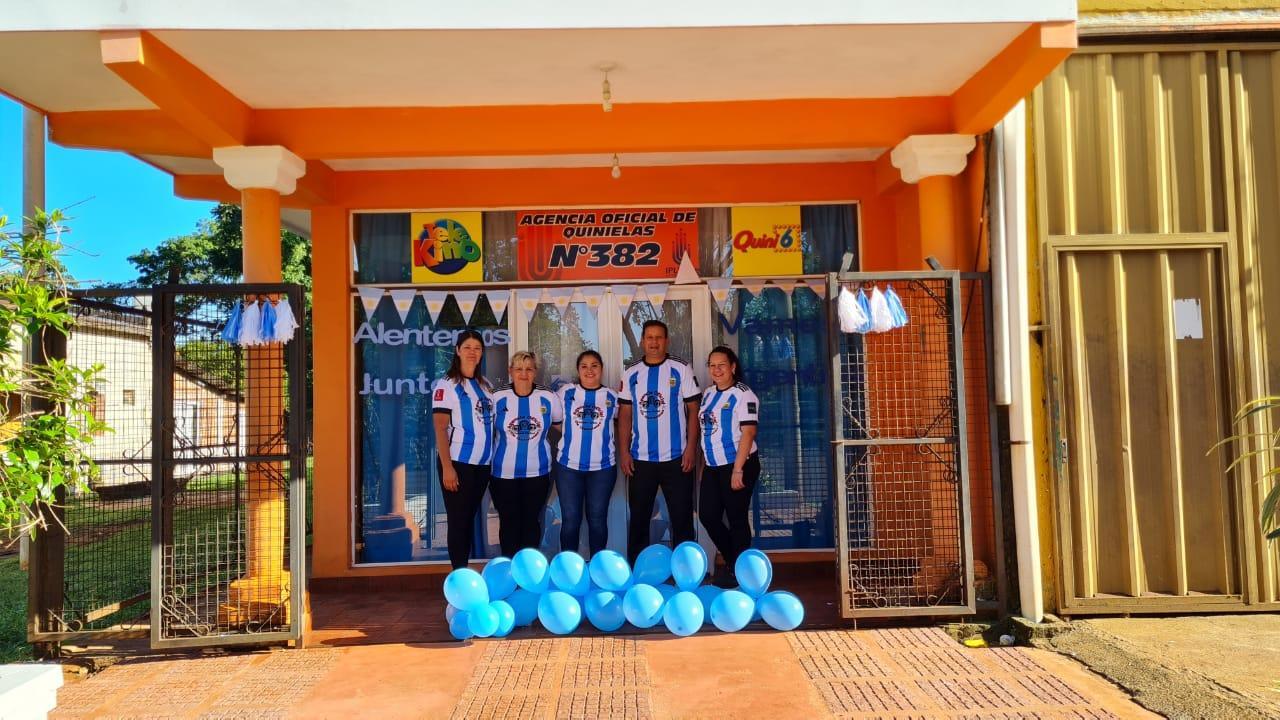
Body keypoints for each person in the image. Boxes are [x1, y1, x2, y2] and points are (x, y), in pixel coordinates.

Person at [618, 319, 701, 564]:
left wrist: (690, 449)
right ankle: (638, 571)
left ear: (666, 341)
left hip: (676, 458)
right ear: (643, 341)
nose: (654, 342)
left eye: (659, 337)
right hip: (640, 460)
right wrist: (624, 452)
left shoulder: (681, 368)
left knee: (682, 518)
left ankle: (686, 571)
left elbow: (694, 410)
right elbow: (624, 415)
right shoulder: (631, 372)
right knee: (639, 518)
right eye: (649, 338)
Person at [697, 346, 761, 587]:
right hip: (714, 466)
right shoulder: (708, 394)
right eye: (712, 365)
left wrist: (738, 469)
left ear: (733, 366)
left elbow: (748, 432)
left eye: (721, 364)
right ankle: (736, 562)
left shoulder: (744, 394)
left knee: (736, 518)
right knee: (708, 515)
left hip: (738, 464)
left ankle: (741, 573)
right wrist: (705, 465)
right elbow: (708, 432)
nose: (716, 369)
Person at [431, 329, 495, 569]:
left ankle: (465, 572)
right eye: (467, 347)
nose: (472, 352)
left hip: (482, 466)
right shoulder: (446, 386)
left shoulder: (485, 385)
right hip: (458, 464)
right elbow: (440, 428)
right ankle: (459, 575)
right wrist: (448, 468)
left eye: (477, 348)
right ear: (458, 351)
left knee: (468, 519)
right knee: (459, 522)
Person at [490, 351, 563, 557]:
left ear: (535, 372)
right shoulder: (497, 397)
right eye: (519, 369)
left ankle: (529, 571)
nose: (524, 373)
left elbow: (562, 427)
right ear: (510, 371)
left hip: (537, 473)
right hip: (503, 473)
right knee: (508, 522)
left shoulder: (548, 397)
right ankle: (510, 570)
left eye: (529, 369)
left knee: (532, 522)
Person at [555, 350, 619, 556]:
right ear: (578, 370)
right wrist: (573, 433)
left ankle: (598, 570)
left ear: (601, 369)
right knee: (570, 520)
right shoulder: (565, 393)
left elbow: (622, 425)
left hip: (602, 469)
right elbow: (555, 421)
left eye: (594, 366)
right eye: (584, 366)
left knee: (598, 520)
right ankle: (568, 571)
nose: (589, 370)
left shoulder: (612, 397)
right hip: (568, 468)